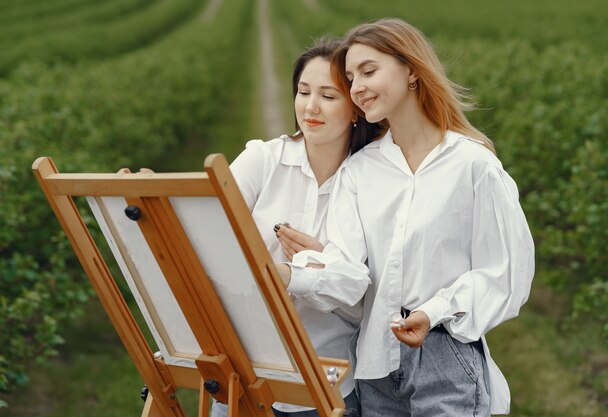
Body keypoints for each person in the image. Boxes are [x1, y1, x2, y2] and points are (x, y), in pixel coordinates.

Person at [280, 18, 535, 416]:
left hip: (444, 354)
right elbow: (348, 270)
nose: (357, 87)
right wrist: (295, 274)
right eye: (351, 78)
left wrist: (432, 311)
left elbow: (505, 273)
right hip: (376, 367)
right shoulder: (359, 171)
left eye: (369, 71)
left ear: (412, 70)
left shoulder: (472, 164)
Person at [211, 38, 383, 417]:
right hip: (245, 375)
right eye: (303, 92)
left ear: (355, 109)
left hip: (325, 381)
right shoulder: (263, 160)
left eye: (328, 95)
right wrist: (324, 269)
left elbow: (363, 301)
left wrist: (302, 268)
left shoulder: (369, 181)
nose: (311, 106)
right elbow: (211, 243)